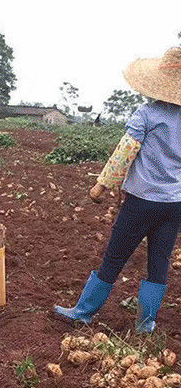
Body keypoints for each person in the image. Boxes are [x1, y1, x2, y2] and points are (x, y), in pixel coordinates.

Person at [55, 46, 181, 333]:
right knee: (159, 262)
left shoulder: (147, 114)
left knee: (115, 256)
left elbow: (125, 153)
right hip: (175, 203)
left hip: (142, 200)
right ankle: (146, 324)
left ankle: (83, 312)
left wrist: (101, 186)